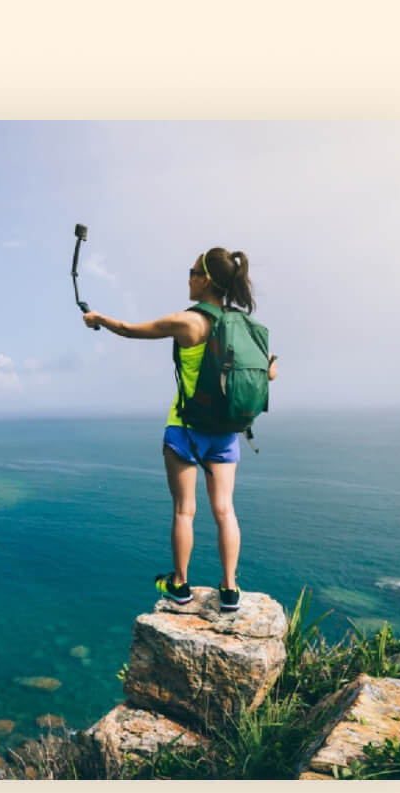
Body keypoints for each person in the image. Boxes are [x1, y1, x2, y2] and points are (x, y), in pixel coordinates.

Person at [82, 247, 279, 612]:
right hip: (225, 432)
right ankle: (230, 589)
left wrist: (99, 319)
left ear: (205, 279)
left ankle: (179, 585)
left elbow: (128, 329)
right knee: (225, 510)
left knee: (184, 511)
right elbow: (269, 372)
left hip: (185, 430)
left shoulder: (188, 322)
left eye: (191, 271)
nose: (187, 277)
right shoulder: (245, 328)